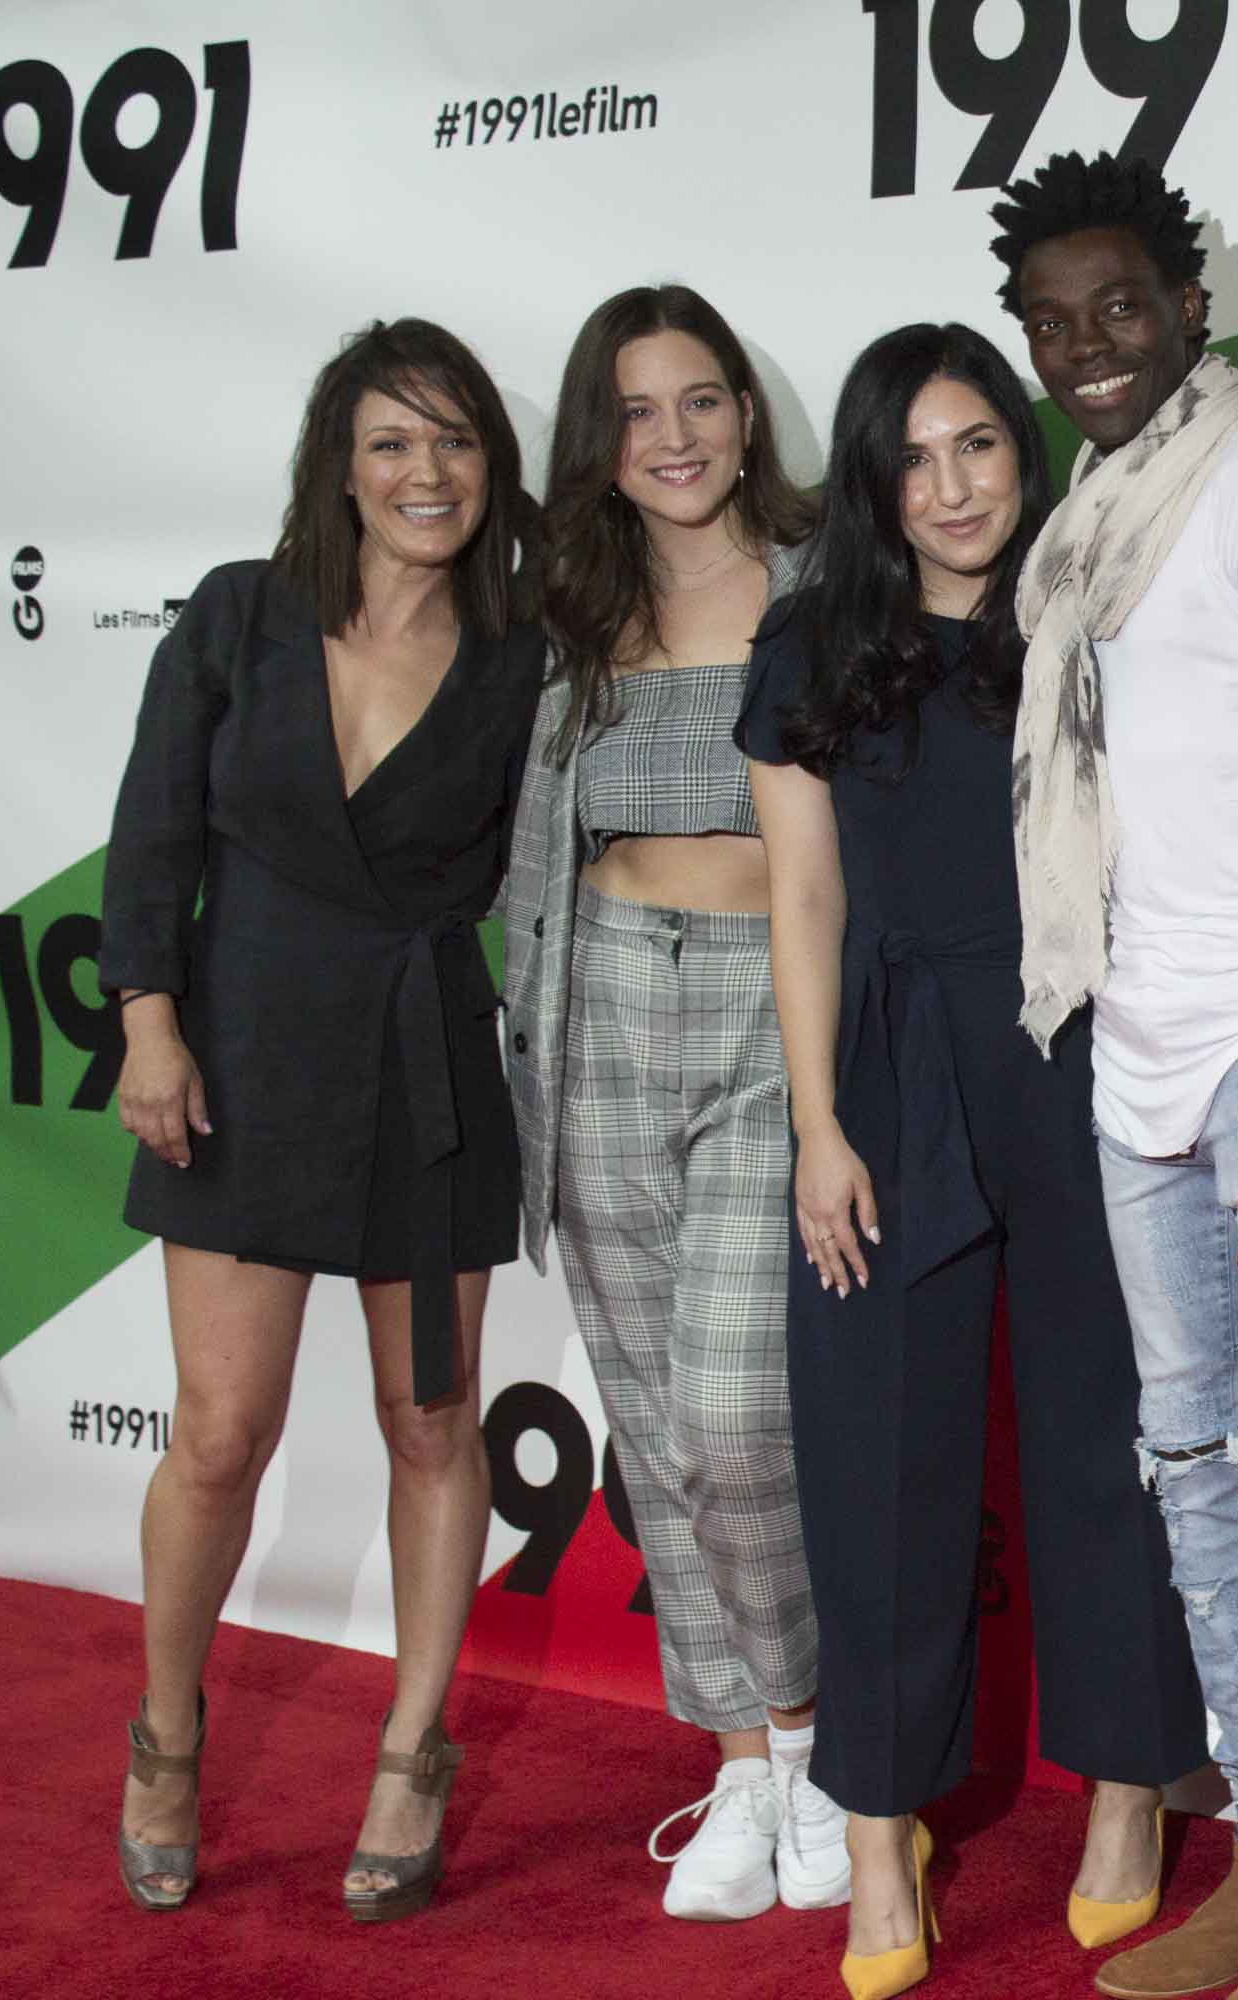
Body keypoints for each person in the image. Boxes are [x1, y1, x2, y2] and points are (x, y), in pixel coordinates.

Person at [739, 322, 1208, 2000]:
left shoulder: (1100, 620)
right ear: (873, 480)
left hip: (1088, 1052)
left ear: (1028, 453)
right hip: (887, 1062)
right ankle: (878, 1828)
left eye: (979, 448)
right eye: (913, 459)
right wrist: (817, 1124)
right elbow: (803, 898)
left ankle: (1130, 1793)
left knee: (1112, 1439)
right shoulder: (809, 649)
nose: (950, 489)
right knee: (877, 1461)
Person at [989, 151, 1238, 2000]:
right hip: (1130, 1045)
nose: (1087, 349)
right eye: (1053, 324)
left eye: (1120, 311)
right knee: (1193, 1467)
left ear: (1190, 310)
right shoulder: (1088, 523)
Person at [101, 318, 542, 1920]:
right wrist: (149, 1024)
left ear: (493, 467)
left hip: (423, 1088)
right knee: (219, 1434)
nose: (427, 472)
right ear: (339, 468)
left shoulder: (524, 655)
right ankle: (164, 1734)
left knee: (432, 1421)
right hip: (235, 1068)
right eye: (392, 442)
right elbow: (149, 836)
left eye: (457, 440)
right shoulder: (241, 615)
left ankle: (413, 1754)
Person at [498, 283, 843, 1923]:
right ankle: (736, 1766)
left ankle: (813, 1743)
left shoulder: (822, 585)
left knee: (735, 1414)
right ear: (600, 442)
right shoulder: (573, 607)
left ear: (745, 414)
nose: (675, 438)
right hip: (598, 1019)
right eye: (637, 412)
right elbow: (530, 854)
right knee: (652, 1422)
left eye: (699, 399)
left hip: (773, 1015)